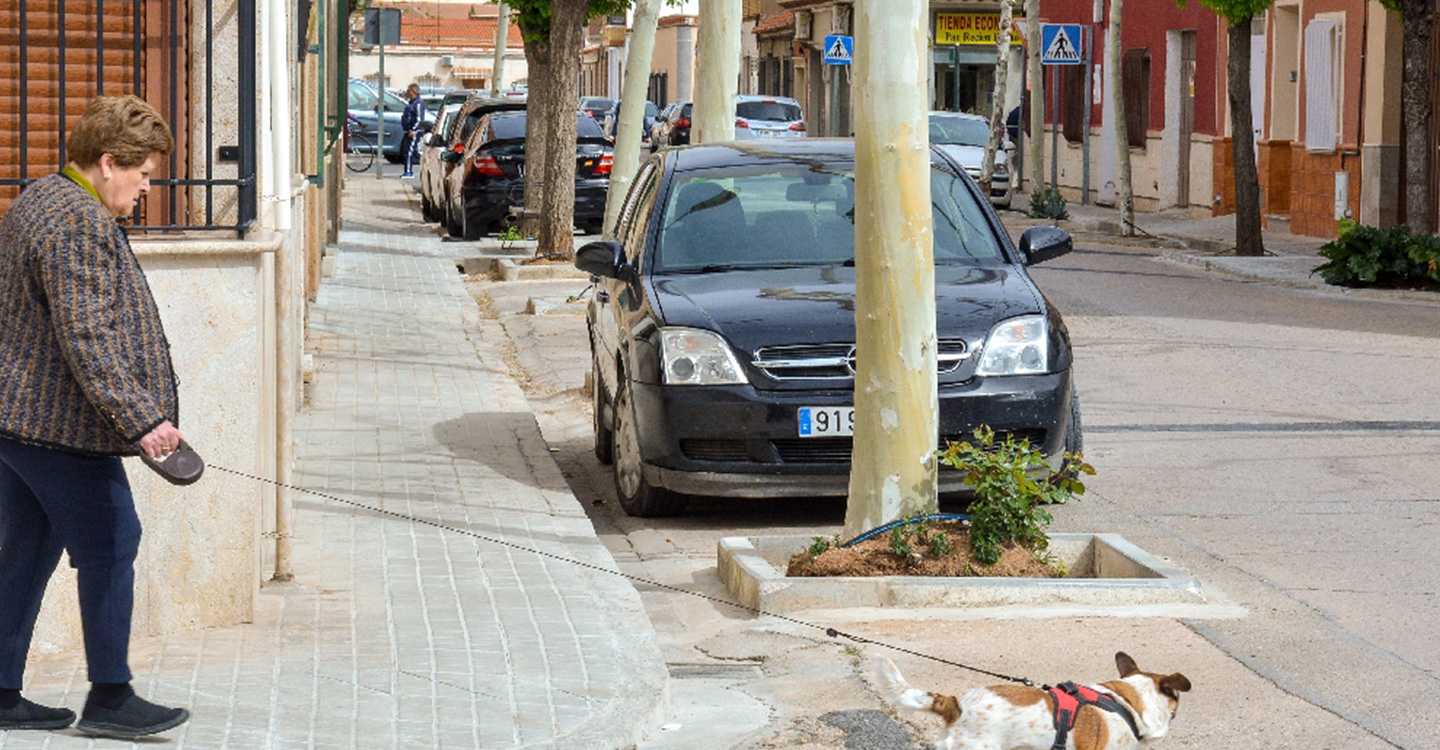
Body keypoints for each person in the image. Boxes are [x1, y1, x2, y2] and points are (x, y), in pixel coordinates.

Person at [0, 95, 191, 739]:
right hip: (57, 426)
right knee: (113, 541)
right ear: (109, 163)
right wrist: (142, 420)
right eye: (142, 174)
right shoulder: (79, 222)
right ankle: (111, 696)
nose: (147, 187)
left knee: (26, 550)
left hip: (17, 421)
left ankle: (0, 692)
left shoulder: (39, 197)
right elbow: (88, 335)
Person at [400, 83, 426, 178]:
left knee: (410, 151)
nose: (407, 93)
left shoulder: (418, 103)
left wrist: (413, 130)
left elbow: (419, 119)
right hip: (408, 131)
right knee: (407, 151)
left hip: (414, 132)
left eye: (409, 90)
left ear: (413, 91)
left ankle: (408, 172)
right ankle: (407, 170)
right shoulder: (411, 103)